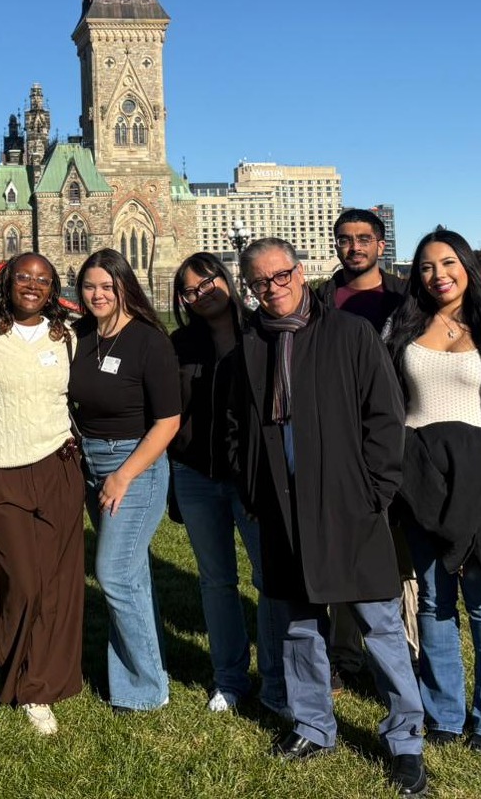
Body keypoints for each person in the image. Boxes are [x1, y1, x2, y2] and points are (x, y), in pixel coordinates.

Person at [228, 238, 426, 795]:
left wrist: (377, 492)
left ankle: (406, 738)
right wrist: (253, 488)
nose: (273, 288)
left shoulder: (349, 334)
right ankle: (314, 724)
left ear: (302, 271)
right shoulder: (249, 346)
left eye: (282, 275)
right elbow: (238, 426)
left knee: (380, 624)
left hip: (349, 503)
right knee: (297, 624)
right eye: (260, 281)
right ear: (250, 286)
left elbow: (384, 417)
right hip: (282, 507)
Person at [386, 229, 481, 754]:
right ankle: (443, 713)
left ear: (466, 266)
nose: (438, 274)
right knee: (432, 601)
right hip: (419, 478)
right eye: (425, 266)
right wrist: (416, 460)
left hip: (479, 476)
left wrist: (470, 453)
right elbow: (389, 404)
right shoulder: (400, 329)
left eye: (448, 262)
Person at [0, 253, 84, 736]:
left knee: (57, 585)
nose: (32, 285)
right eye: (24, 277)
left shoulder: (67, 336)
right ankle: (9, 656)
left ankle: (38, 686)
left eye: (43, 279)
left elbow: (80, 396)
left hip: (58, 466)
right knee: (24, 582)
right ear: (7, 282)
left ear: (53, 288)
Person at [169, 252, 288, 715]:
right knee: (216, 582)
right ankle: (231, 679)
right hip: (196, 475)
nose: (202, 294)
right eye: (191, 290)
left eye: (208, 282)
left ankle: (275, 682)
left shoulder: (263, 334)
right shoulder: (178, 344)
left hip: (252, 477)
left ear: (227, 280)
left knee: (268, 579)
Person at [68, 248, 181, 713]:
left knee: (113, 573)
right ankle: (144, 672)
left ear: (123, 287)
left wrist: (123, 476)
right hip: (91, 461)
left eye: (106, 286)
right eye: (89, 286)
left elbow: (168, 421)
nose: (97, 294)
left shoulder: (149, 341)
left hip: (135, 463)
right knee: (131, 574)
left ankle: (145, 689)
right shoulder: (82, 335)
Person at [317, 208, 418, 688]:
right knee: (343, 548)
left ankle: (408, 654)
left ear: (380, 244)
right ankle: (344, 655)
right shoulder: (322, 298)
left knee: (400, 554)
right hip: (339, 442)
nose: (353, 247)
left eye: (363, 239)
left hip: (398, 436)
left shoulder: (407, 297)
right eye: (344, 239)